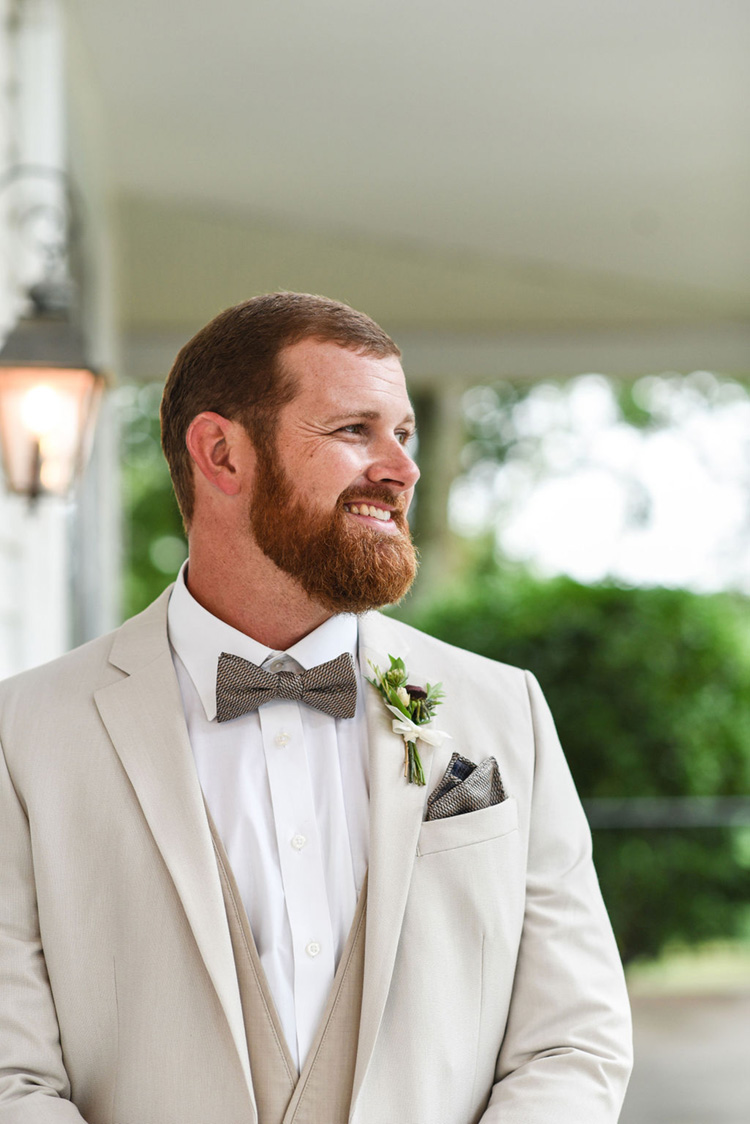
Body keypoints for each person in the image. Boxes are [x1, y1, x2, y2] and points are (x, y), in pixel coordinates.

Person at [0, 292, 632, 1124]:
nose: (401, 467)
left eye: (402, 433)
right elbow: (12, 1076)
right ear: (221, 454)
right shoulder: (27, 735)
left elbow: (574, 1040)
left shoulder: (503, 710)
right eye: (352, 431)